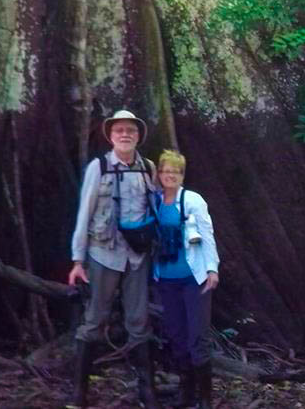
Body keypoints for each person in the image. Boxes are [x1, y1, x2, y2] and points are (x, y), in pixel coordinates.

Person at [67, 110, 161, 409]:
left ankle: (148, 392)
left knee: (139, 321)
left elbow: (156, 208)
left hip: (137, 257)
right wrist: (77, 260)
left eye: (130, 130)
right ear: (110, 135)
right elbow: (84, 213)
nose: (125, 134)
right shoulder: (100, 167)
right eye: (119, 130)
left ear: (138, 136)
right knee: (94, 320)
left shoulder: (147, 167)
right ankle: (79, 393)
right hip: (103, 253)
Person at [154, 149, 219, 409]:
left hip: (194, 279)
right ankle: (186, 394)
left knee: (198, 338)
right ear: (159, 174)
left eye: (175, 171)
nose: (170, 175)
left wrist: (212, 270)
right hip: (166, 280)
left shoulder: (192, 200)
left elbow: (208, 234)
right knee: (177, 337)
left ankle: (205, 399)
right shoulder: (155, 201)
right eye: (166, 171)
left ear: (182, 175)